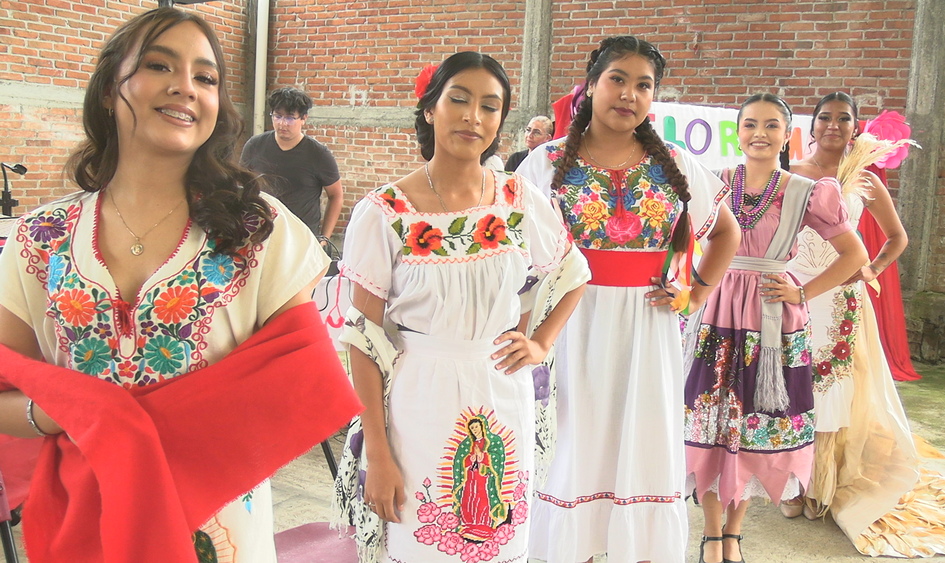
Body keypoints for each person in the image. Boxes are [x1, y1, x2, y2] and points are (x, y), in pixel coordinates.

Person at [0, 9, 360, 562]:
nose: (185, 86)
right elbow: (7, 389)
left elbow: (299, 383)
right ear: (109, 89)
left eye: (205, 77)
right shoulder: (41, 237)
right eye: (159, 65)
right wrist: (71, 412)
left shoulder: (258, 229)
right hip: (91, 516)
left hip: (219, 526)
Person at [330, 51, 588, 563]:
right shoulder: (384, 212)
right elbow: (363, 342)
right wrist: (378, 453)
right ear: (430, 109)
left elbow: (574, 273)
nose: (473, 117)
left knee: (496, 537)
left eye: (490, 106)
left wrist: (541, 342)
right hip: (417, 401)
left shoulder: (517, 198)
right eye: (460, 99)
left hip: (502, 393)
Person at [517, 36, 741, 563]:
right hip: (569, 328)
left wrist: (693, 295)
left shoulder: (674, 163)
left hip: (649, 330)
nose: (629, 94)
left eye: (644, 85)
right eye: (617, 79)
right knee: (573, 446)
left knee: (642, 447)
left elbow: (725, 233)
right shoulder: (544, 163)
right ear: (591, 84)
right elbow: (516, 258)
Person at [787, 92, 945, 557]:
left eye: (844, 119)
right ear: (812, 124)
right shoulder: (791, 173)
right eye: (825, 117)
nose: (833, 126)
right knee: (790, 383)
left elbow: (897, 237)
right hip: (794, 293)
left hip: (841, 300)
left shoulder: (864, 178)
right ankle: (790, 482)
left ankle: (821, 483)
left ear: (855, 127)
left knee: (832, 390)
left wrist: (871, 269)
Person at [683, 93, 867, 563]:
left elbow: (855, 255)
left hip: (772, 323)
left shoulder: (806, 191)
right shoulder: (713, 181)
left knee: (753, 430)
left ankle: (734, 535)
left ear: (788, 136)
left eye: (771, 125)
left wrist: (802, 291)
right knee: (709, 424)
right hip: (716, 315)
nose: (759, 134)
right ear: (738, 132)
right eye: (750, 124)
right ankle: (710, 535)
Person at [240, 86, 343, 247]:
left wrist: (324, 238)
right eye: (277, 116)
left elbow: (336, 195)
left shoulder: (318, 154)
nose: (282, 123)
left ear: (303, 118)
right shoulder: (255, 145)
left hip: (302, 238)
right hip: (261, 234)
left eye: (289, 118)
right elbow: (243, 185)